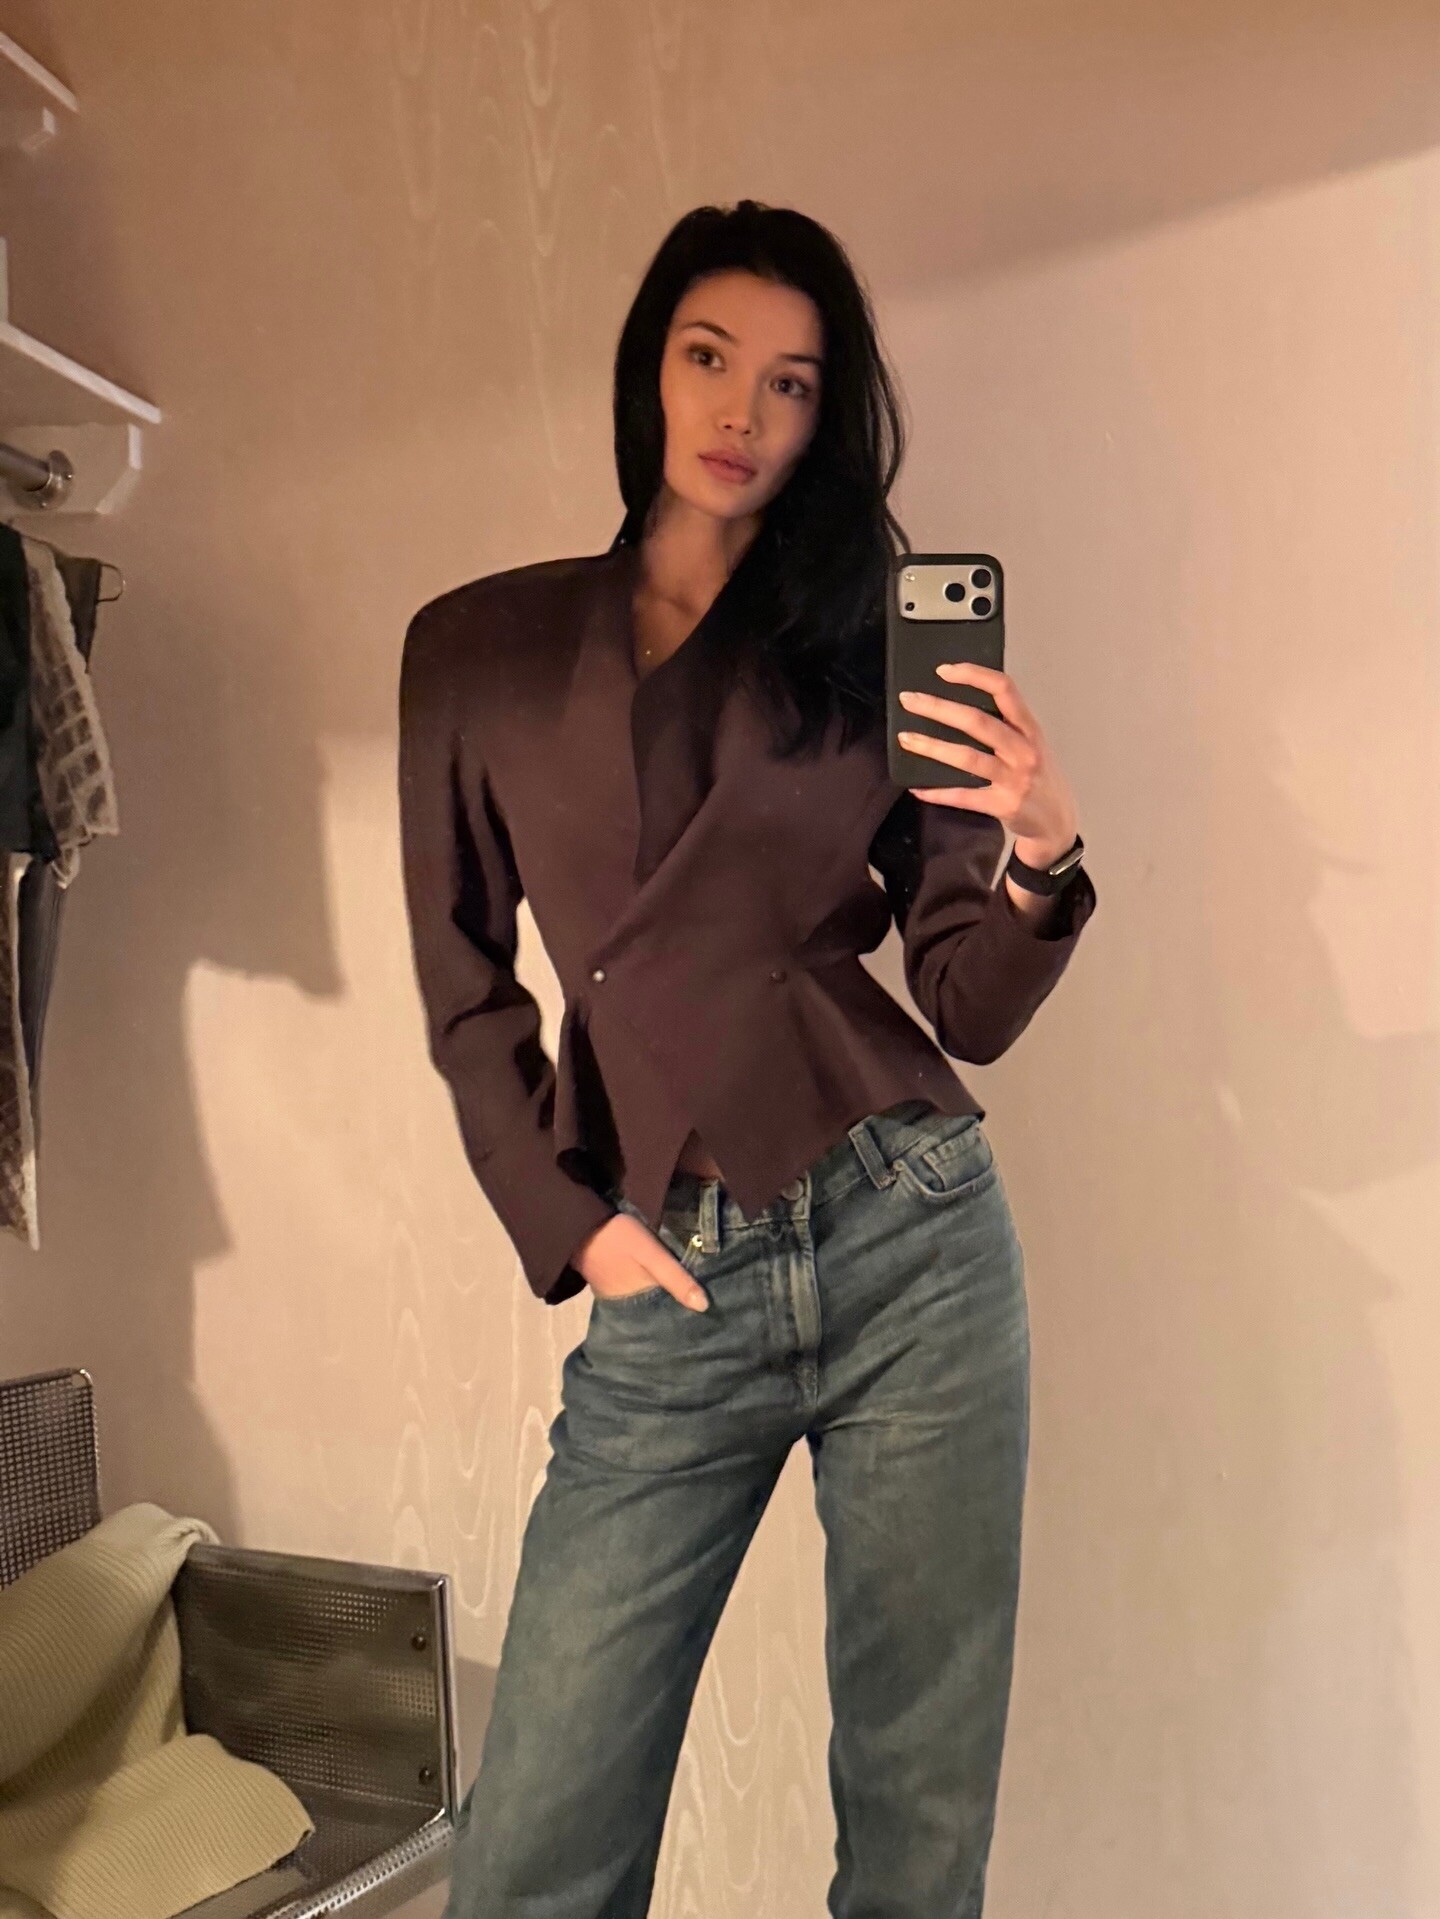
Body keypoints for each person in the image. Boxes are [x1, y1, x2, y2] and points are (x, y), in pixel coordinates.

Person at [398, 198, 1096, 1919]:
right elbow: (467, 991)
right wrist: (572, 1223)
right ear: (649, 369)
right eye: (711, 357)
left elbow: (966, 998)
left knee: (917, 1848)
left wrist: (1040, 857)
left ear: (823, 415)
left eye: (791, 383)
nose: (744, 411)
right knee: (535, 1854)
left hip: (913, 1238)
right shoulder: (476, 649)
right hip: (672, 1272)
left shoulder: (871, 651)